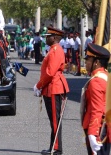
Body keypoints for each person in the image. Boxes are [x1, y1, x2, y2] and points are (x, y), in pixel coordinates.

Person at [33, 27, 70, 155]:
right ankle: (53, 147)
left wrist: (38, 85)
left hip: (54, 88)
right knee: (53, 120)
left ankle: (57, 149)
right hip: (51, 87)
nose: (46, 38)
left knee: (55, 120)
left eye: (48, 36)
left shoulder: (55, 50)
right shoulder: (53, 49)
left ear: (54, 37)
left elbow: (50, 73)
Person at [80, 43, 111, 155]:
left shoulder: (96, 81)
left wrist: (93, 133)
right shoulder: (106, 75)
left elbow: (97, 108)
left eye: (88, 59)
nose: (86, 63)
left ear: (96, 62)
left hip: (99, 129)